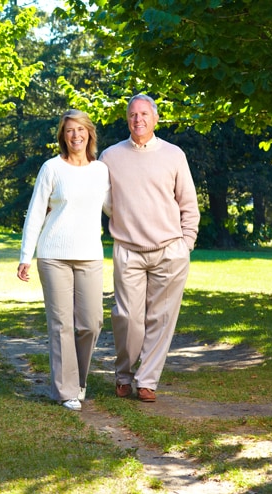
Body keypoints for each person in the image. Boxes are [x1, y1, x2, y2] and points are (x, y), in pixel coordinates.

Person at [99, 94, 200, 403]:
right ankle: (124, 375)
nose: (138, 119)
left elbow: (188, 203)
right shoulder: (111, 156)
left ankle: (147, 381)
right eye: (132, 114)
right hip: (128, 249)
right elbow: (103, 201)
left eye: (144, 114)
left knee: (161, 318)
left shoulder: (174, 154)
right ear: (126, 120)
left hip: (170, 250)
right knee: (128, 318)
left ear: (155, 119)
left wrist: (186, 243)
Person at [17, 109, 110, 411]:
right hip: (53, 255)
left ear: (89, 134)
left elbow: (114, 209)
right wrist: (25, 256)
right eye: (69, 130)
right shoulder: (52, 168)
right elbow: (35, 213)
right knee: (61, 325)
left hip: (90, 256)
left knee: (91, 323)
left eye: (81, 130)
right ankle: (67, 390)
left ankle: (78, 381)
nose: (76, 135)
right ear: (63, 136)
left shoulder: (100, 171)